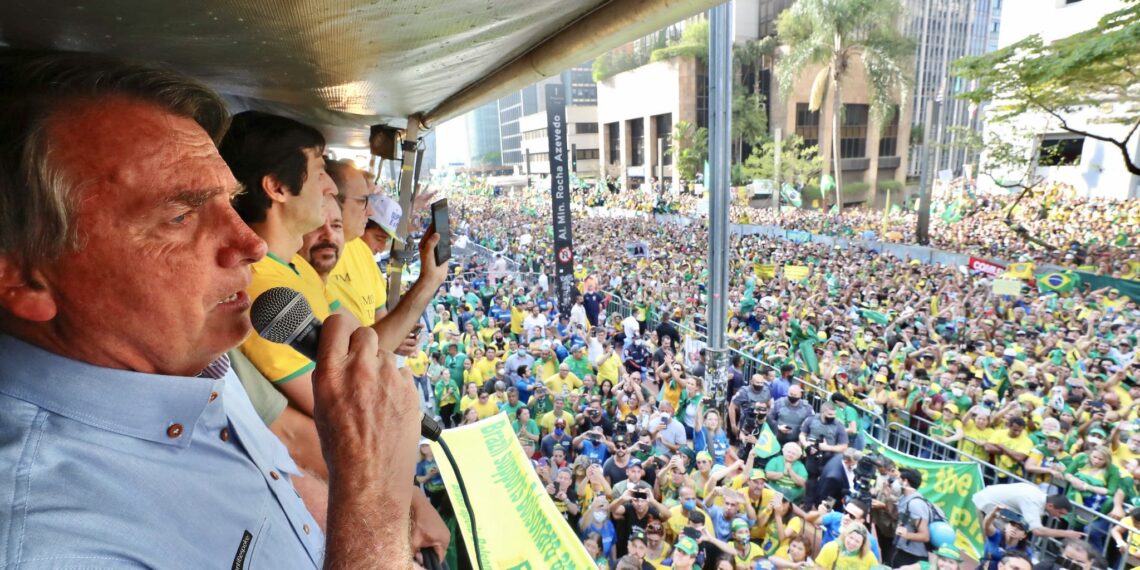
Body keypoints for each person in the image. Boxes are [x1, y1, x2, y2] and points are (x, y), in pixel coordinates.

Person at [0, 52, 443, 567]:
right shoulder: (44, 536)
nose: (248, 245)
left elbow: (284, 477)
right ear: (25, 277)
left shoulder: (190, 352)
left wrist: (370, 507)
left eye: (228, 204)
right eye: (181, 215)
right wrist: (374, 509)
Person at [972, 483, 1082, 539]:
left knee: (1012, 536)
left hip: (996, 506)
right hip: (986, 504)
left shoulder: (1039, 496)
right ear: (1050, 505)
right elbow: (1037, 531)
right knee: (995, 540)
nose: (1061, 517)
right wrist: (1066, 533)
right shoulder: (1033, 502)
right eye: (1060, 513)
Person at [893, 468, 933, 567]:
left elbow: (925, 536)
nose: (896, 482)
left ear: (905, 482)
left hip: (913, 557)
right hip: (902, 550)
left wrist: (907, 535)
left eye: (898, 479)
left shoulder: (915, 504)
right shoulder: (904, 498)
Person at [814, 523, 879, 570]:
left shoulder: (869, 556)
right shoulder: (831, 548)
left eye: (857, 541)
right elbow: (819, 567)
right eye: (851, 537)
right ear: (845, 535)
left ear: (862, 544)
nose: (852, 543)